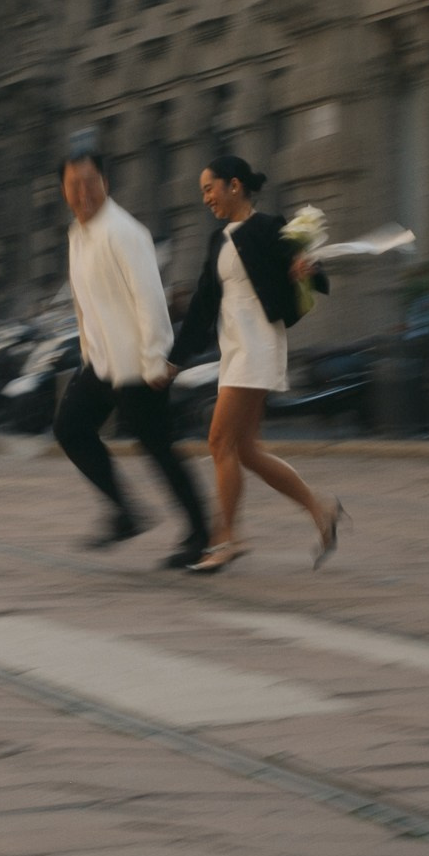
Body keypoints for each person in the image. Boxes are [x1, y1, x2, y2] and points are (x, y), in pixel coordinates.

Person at [156, 156, 343, 574]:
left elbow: (314, 274)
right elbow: (203, 308)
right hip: (235, 348)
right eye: (203, 191)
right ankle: (321, 508)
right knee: (246, 450)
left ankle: (227, 539)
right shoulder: (218, 240)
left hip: (259, 344)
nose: (206, 198)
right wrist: (174, 361)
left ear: (234, 185)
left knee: (218, 440)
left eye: (210, 188)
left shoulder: (268, 228)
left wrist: (304, 269)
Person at [53, 152, 213, 569]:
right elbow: (84, 303)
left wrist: (156, 358)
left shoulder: (124, 232)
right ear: (64, 190)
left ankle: (201, 533)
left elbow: (150, 298)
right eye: (73, 185)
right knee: (71, 427)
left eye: (89, 182)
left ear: (105, 181)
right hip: (104, 363)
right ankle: (125, 512)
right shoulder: (77, 233)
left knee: (157, 446)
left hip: (139, 364)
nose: (82, 193)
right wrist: (89, 351)